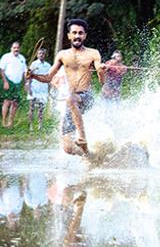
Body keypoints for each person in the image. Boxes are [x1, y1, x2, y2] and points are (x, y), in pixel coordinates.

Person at [27, 19, 105, 156]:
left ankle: (82, 137)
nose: (77, 36)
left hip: (86, 96)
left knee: (70, 98)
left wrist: (101, 71)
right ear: (69, 35)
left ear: (85, 36)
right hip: (72, 100)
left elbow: (102, 81)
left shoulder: (93, 53)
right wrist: (33, 76)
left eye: (81, 33)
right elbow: (48, 78)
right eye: (74, 33)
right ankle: (89, 155)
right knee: (67, 148)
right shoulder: (62, 55)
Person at [0, 42, 28, 128]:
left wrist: (26, 82)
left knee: (15, 103)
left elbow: (25, 72)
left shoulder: (22, 58)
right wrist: (5, 82)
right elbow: (1, 69)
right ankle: (4, 122)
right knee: (7, 102)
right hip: (8, 82)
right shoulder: (6, 57)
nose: (16, 49)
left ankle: (10, 123)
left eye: (18, 48)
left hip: (18, 83)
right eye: (14, 47)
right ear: (11, 48)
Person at [26, 47, 51, 131]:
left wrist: (49, 89)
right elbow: (28, 77)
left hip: (43, 89)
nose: (41, 55)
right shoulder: (33, 64)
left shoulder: (48, 65)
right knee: (31, 108)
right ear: (37, 55)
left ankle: (40, 125)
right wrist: (29, 88)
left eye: (43, 54)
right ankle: (30, 126)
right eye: (40, 53)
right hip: (34, 88)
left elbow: (49, 78)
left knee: (41, 109)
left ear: (45, 55)